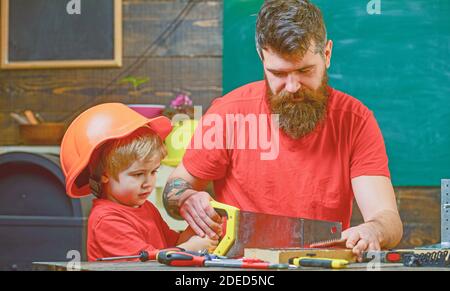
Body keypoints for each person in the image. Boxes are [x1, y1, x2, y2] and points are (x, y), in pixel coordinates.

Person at [162, 0, 403, 260]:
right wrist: (185, 198)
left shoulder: (356, 120)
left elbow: (387, 218)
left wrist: (374, 230)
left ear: (327, 54)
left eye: (305, 70)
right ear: (262, 59)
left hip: (317, 265)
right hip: (239, 270)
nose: (292, 87)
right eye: (278, 73)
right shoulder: (228, 114)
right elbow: (174, 188)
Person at [60, 103, 217, 261]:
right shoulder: (107, 220)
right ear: (104, 175)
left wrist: (203, 224)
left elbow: (174, 244)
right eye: (138, 174)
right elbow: (146, 264)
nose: (148, 182)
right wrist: (189, 249)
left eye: (153, 171)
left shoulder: (147, 209)